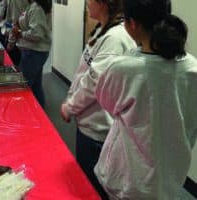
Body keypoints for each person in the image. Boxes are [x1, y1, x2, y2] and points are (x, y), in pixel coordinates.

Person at [91, 0, 197, 199]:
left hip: (129, 178)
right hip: (169, 177)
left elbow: (106, 101)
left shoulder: (123, 68)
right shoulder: (192, 68)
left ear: (132, 24)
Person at [60, 0, 135, 197]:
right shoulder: (102, 30)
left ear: (102, 3)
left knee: (92, 190)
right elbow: (84, 74)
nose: (86, 4)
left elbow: (94, 83)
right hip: (89, 123)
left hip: (98, 129)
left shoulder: (116, 37)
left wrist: (70, 107)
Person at [11, 0, 51, 107]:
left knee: (24, 86)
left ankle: (27, 114)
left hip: (34, 52)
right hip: (33, 52)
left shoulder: (36, 8)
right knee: (36, 86)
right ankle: (40, 114)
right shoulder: (32, 6)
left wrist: (19, 33)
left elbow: (37, 34)